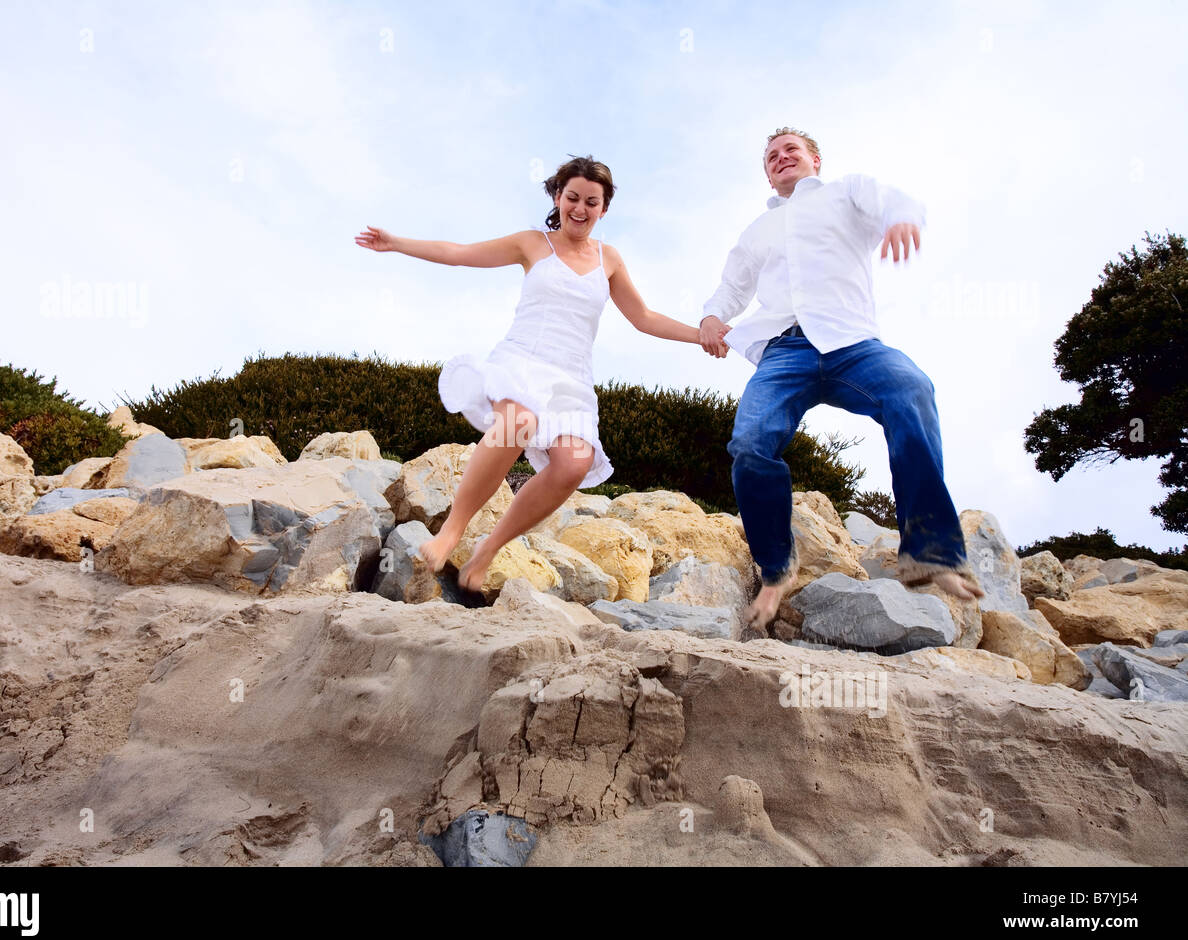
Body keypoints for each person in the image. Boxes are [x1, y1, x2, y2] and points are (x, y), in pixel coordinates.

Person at [356, 155, 708, 593]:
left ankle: (489, 548)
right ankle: (453, 529)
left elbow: (644, 317)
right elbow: (463, 254)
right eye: (572, 197)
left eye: (591, 202)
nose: (580, 209)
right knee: (517, 423)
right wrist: (398, 242)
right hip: (522, 360)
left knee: (573, 465)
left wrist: (701, 335)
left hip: (572, 379)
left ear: (604, 208)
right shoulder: (532, 243)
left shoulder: (609, 259)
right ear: (558, 197)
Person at [697, 127, 985, 629]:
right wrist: (711, 317)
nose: (781, 158)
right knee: (750, 442)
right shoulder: (756, 231)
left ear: (815, 159)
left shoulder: (845, 192)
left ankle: (932, 550)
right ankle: (774, 568)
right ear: (766, 171)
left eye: (792, 150)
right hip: (784, 351)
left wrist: (899, 217)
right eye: (771, 156)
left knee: (911, 390)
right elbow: (731, 287)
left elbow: (895, 200)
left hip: (853, 344)